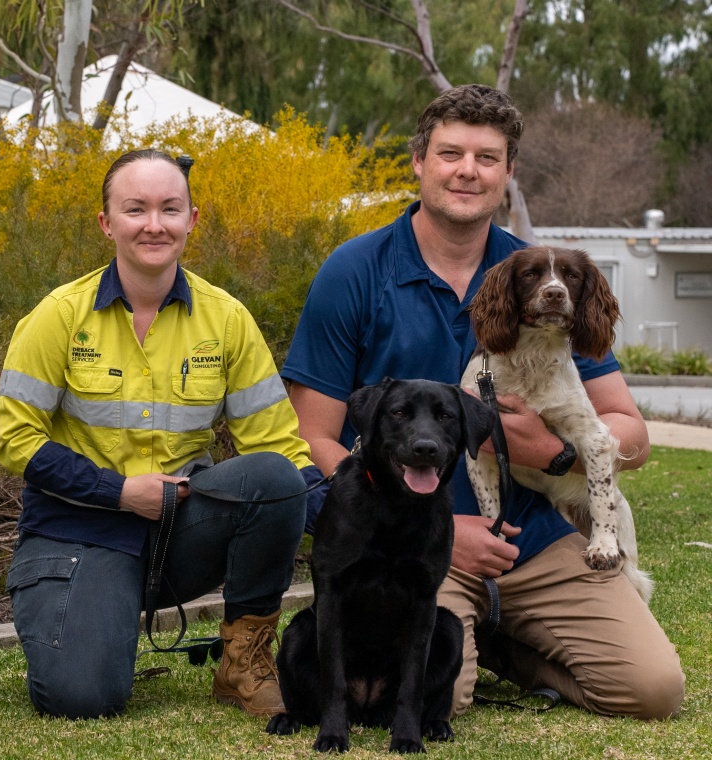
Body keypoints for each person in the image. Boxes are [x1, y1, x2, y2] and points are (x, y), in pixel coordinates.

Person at [281, 84, 684, 720]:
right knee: (445, 700)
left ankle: (505, 642)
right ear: (418, 162)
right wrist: (428, 526)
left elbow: (629, 433)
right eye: (450, 153)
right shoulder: (355, 271)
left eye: (487, 158)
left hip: (538, 537)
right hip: (413, 545)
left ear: (508, 173)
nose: (467, 171)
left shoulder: (544, 275)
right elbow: (309, 439)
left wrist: (551, 453)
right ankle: (475, 642)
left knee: (654, 690)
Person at [0, 149, 327, 720]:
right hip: (82, 530)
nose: (154, 224)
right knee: (82, 698)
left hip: (181, 531)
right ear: (106, 223)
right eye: (135, 209)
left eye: (170, 209)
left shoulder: (226, 319)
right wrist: (119, 492)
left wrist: (352, 523)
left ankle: (242, 663)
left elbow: (281, 448)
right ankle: (93, 616)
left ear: (192, 220)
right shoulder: (58, 315)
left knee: (274, 477)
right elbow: (15, 441)